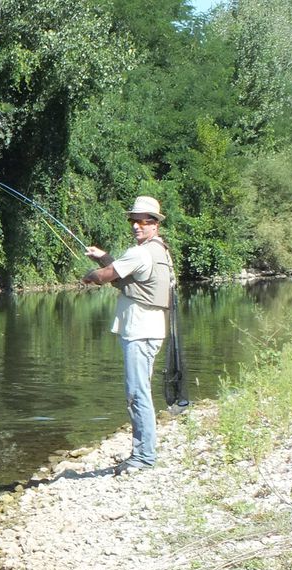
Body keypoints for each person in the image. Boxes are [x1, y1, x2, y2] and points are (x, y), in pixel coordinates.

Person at [82, 196, 175, 476]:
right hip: (151, 330)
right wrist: (105, 257)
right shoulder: (161, 251)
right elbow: (127, 276)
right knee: (140, 391)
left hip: (139, 332)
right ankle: (144, 452)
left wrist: (90, 275)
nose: (136, 225)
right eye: (133, 220)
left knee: (137, 394)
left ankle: (144, 457)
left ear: (155, 223)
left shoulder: (140, 252)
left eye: (144, 220)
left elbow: (107, 276)